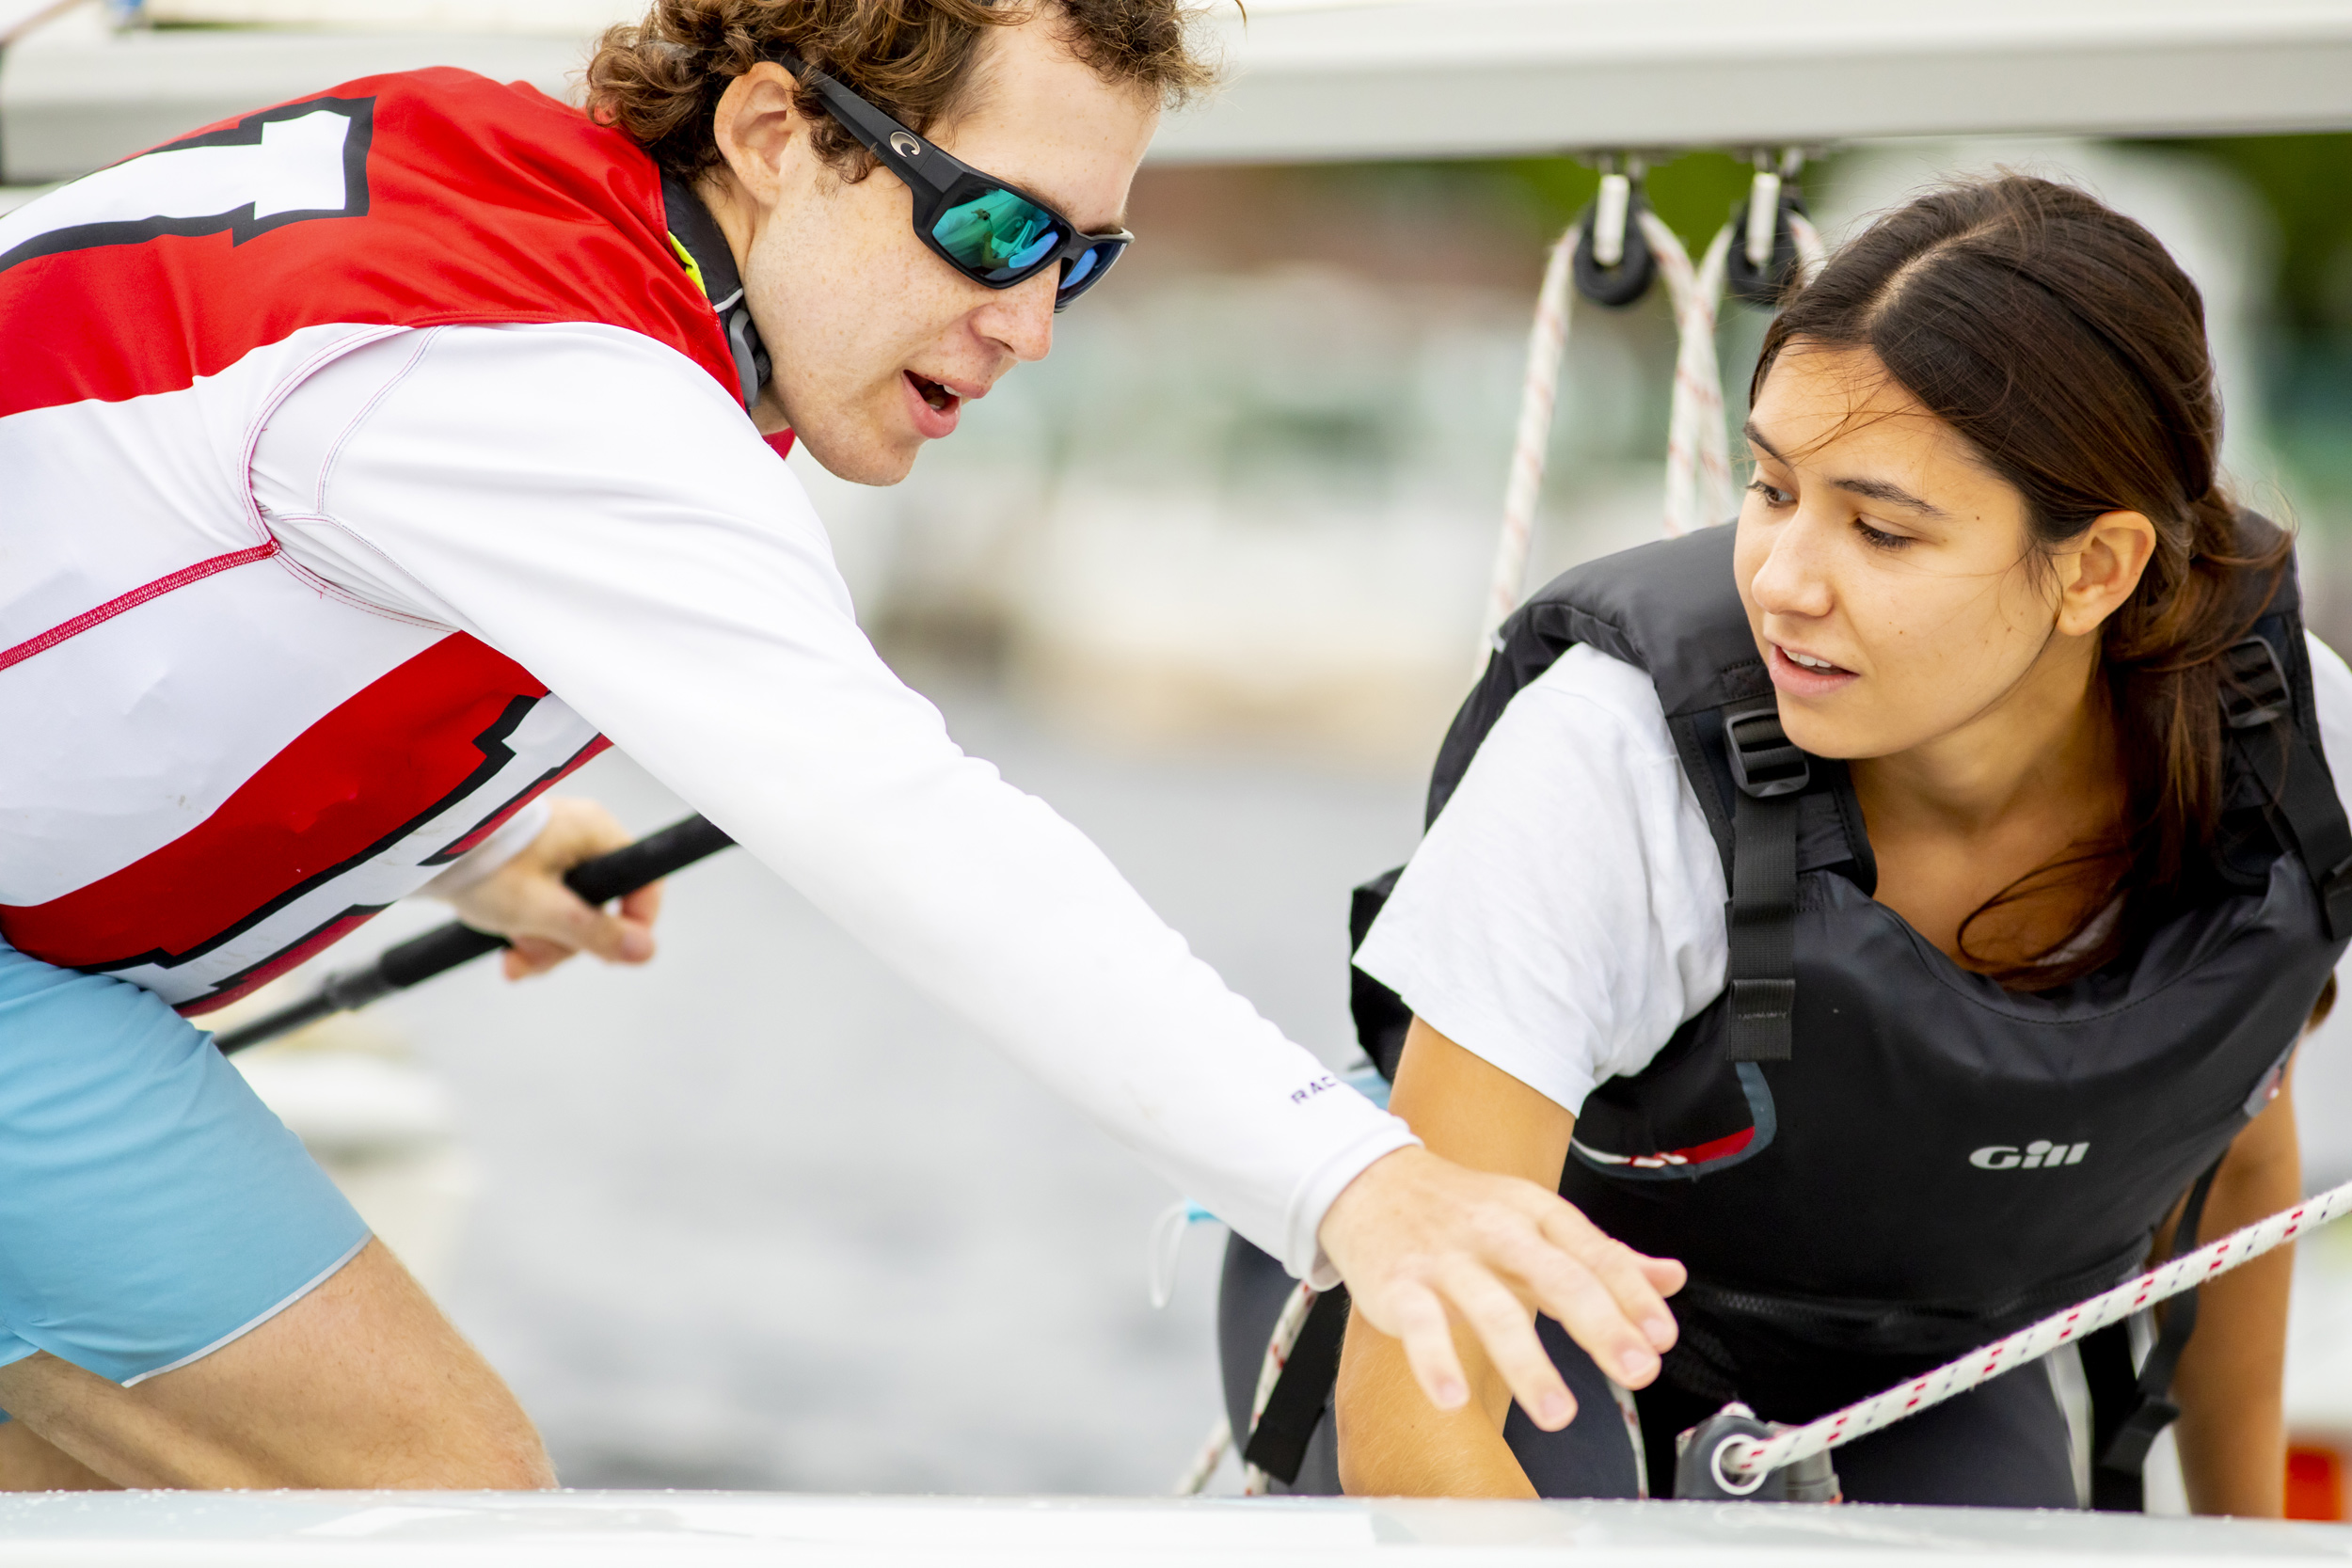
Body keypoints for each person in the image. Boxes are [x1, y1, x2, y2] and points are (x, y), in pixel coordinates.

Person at [0, 0, 1682, 1490]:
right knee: (429, 1492)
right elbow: (906, 824)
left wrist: (487, 846)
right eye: (999, 228)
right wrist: (1355, 1184)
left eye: (1081, 258)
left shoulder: (473, 186)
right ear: (773, 134)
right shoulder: (560, 373)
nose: (1032, 323)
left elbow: (147, 591)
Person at [1328, 175, 2343, 1514]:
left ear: (2097, 569)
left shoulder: (2288, 752)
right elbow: (1410, 1421)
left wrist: (2242, 1541)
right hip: (1520, 1302)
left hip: (1915, 1356)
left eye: (1880, 529)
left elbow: (2229, 1132)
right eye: (1772, 488)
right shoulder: (1613, 762)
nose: (1784, 582)